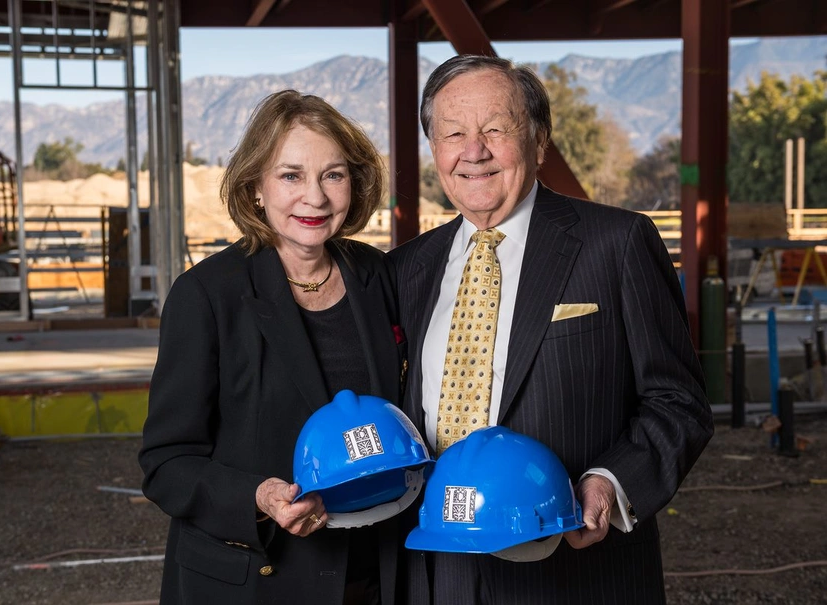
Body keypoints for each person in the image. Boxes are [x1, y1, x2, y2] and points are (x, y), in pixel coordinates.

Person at [389, 55, 714, 604]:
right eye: (453, 133)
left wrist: (612, 482)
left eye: (496, 128)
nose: (474, 150)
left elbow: (677, 400)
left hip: (573, 570)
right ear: (435, 151)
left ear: (539, 141)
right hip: (437, 567)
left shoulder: (617, 244)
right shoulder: (406, 269)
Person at [139, 90, 406, 605]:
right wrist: (258, 496)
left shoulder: (375, 275)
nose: (316, 197)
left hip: (368, 575)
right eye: (291, 176)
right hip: (254, 579)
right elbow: (166, 463)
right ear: (255, 188)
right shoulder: (207, 295)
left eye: (333, 174)